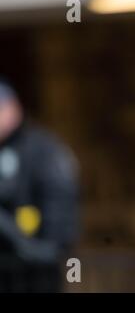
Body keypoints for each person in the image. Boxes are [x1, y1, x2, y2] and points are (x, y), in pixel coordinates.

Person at [0, 79, 79, 292]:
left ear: (13, 108)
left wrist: (36, 248)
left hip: (34, 274)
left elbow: (58, 225)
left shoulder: (44, 151)